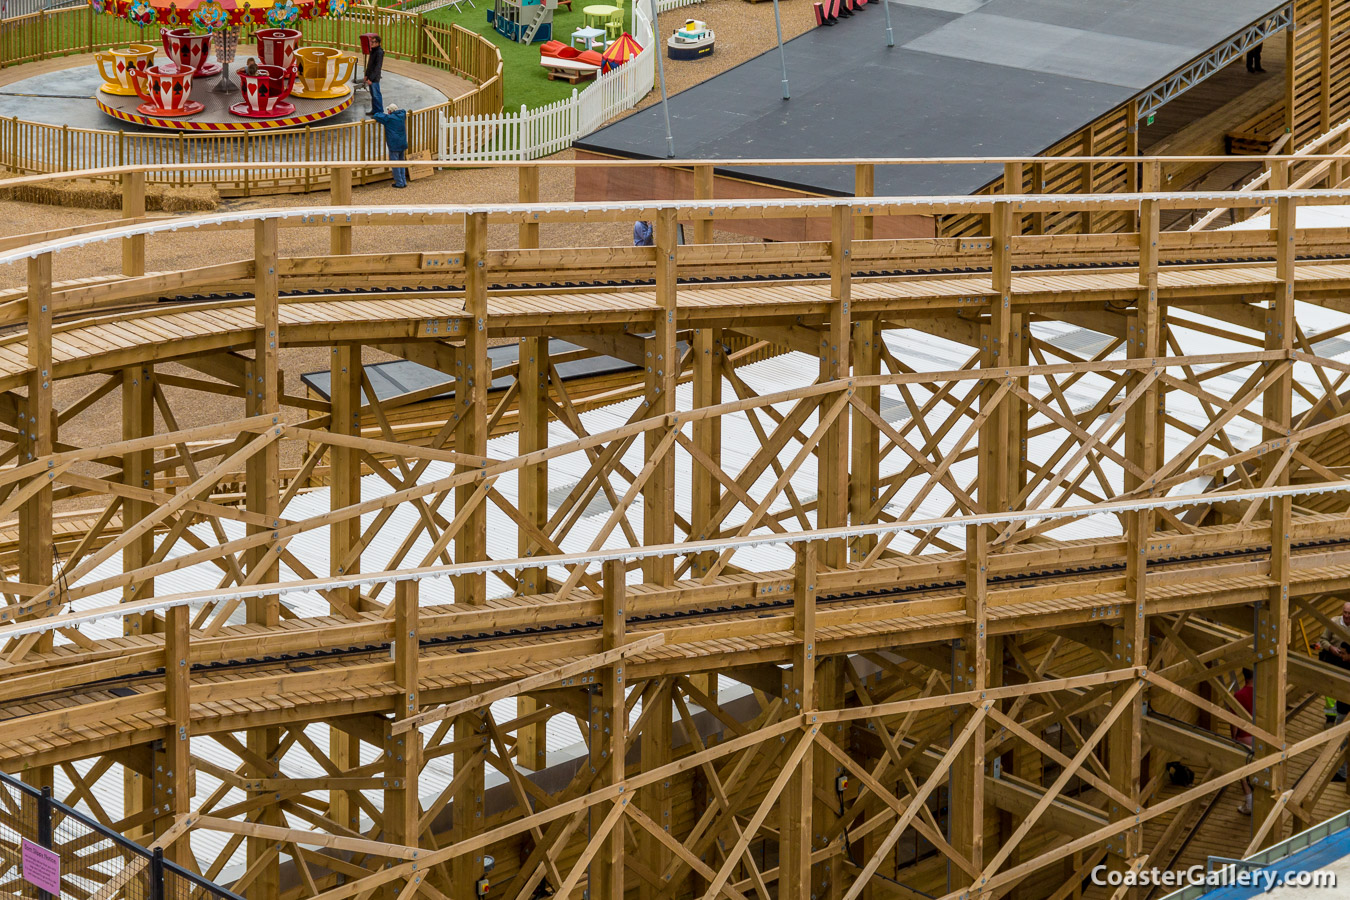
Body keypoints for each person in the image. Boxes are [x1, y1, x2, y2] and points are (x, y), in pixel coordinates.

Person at [1231, 668, 1255, 815]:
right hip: (1261, 738)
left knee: (1244, 772)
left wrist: (1233, 738)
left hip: (1244, 738)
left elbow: (1235, 721)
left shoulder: (1239, 695)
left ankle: (1250, 803)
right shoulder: (1262, 693)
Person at [372, 103, 408, 188]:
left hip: (394, 144)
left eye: (388, 110)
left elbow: (377, 115)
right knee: (401, 162)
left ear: (390, 111)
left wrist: (379, 110)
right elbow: (403, 110)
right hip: (402, 142)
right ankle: (404, 181)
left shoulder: (389, 118)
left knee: (395, 163)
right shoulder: (402, 115)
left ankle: (399, 183)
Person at [363, 35, 385, 115]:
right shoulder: (373, 51)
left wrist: (371, 79)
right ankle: (375, 110)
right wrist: (366, 75)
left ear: (378, 43)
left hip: (374, 78)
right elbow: (370, 65)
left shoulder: (379, 52)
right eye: (371, 42)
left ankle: (379, 111)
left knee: (376, 95)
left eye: (373, 42)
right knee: (373, 95)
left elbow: (377, 67)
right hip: (370, 76)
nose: (371, 43)